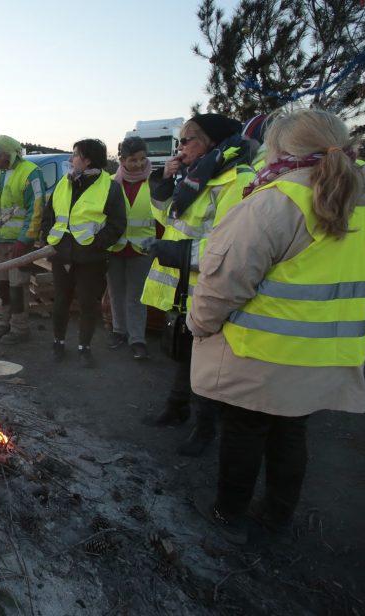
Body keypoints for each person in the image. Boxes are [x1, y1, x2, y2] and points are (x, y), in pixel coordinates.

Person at [187, 108, 365, 544]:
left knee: (244, 433)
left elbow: (225, 283)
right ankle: (277, 518)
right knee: (292, 432)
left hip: (260, 352)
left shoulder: (273, 202)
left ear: (280, 148)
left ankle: (229, 514)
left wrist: (199, 324)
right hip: (328, 354)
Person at [140, 113, 256, 457]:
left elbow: (233, 245)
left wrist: (178, 251)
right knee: (184, 354)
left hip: (209, 284)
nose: (181, 147)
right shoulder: (196, 176)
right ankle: (176, 409)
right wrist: (161, 184)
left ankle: (205, 429)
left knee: (209, 362)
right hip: (183, 285)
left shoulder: (237, 179)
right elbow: (170, 217)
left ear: (211, 142)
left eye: (187, 140)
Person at [40, 139, 126, 367]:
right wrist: (47, 238)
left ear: (87, 160)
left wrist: (97, 244)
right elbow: (48, 216)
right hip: (61, 255)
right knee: (61, 302)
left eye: (75, 154)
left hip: (91, 259)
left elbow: (117, 224)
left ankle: (84, 347)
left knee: (88, 304)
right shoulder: (63, 183)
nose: (70, 159)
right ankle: (57, 343)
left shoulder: (110, 187)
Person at [0, 135, 46, 343]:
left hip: (19, 244)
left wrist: (25, 240)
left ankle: (20, 329)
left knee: (17, 286)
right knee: (3, 285)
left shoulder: (30, 173)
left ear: (7, 154)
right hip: (0, 240)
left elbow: (37, 209)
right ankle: (3, 322)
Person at [105, 137, 156, 360]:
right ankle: (119, 331)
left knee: (136, 296)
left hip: (142, 248)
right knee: (116, 293)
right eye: (133, 160)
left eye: (142, 159)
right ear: (122, 160)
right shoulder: (110, 182)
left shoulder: (155, 182)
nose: (138, 164)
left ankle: (137, 339)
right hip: (115, 248)